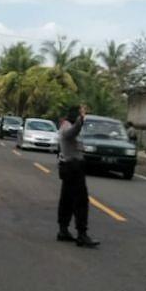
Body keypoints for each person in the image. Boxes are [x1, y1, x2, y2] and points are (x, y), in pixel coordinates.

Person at [57, 105, 99, 248]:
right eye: (80, 113)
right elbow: (71, 133)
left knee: (67, 200)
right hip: (73, 168)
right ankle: (82, 234)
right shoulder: (68, 127)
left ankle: (63, 230)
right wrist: (80, 120)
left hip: (70, 167)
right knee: (81, 201)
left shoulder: (66, 125)